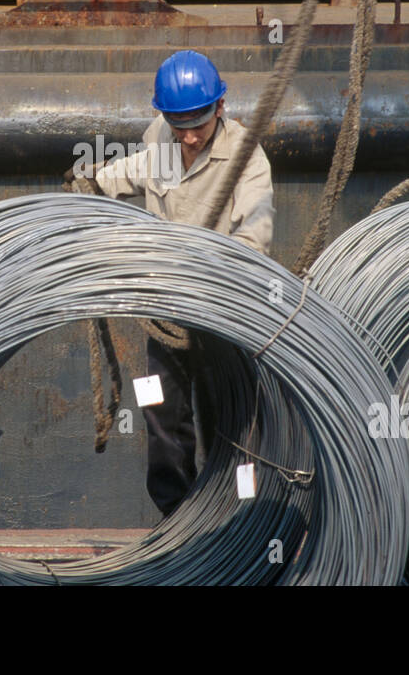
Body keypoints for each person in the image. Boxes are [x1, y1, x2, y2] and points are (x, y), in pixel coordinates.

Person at [77, 49, 274, 516]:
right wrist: (91, 183)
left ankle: (240, 522)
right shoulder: (165, 143)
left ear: (220, 108)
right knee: (161, 414)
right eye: (177, 123)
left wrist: (206, 275)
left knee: (231, 425)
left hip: (224, 317)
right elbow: (136, 170)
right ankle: (177, 521)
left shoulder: (247, 159)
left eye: (198, 124)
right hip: (166, 320)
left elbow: (254, 239)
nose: (187, 136)